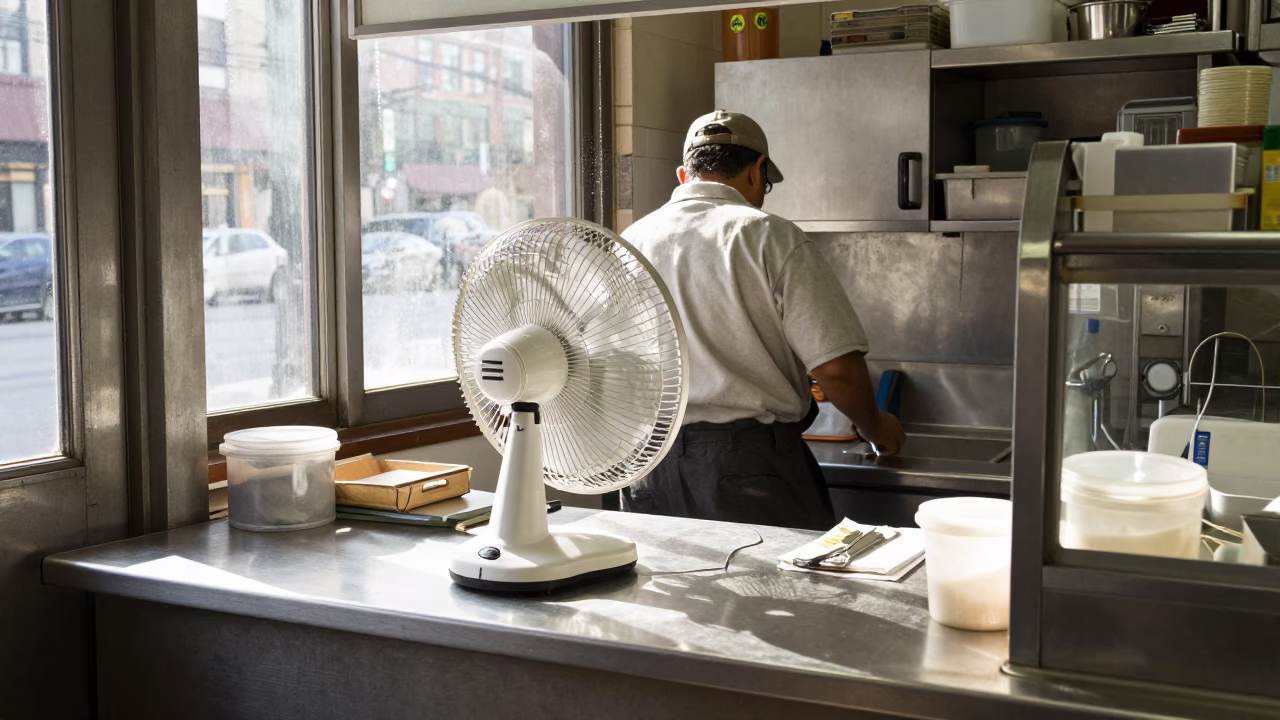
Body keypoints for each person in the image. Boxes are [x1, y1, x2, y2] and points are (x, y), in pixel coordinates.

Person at [620, 109, 905, 531]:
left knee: (674, 595)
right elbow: (836, 369)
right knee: (785, 595)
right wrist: (877, 427)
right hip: (745, 465)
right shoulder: (769, 235)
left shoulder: (630, 241)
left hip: (644, 463)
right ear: (757, 172)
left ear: (684, 176)